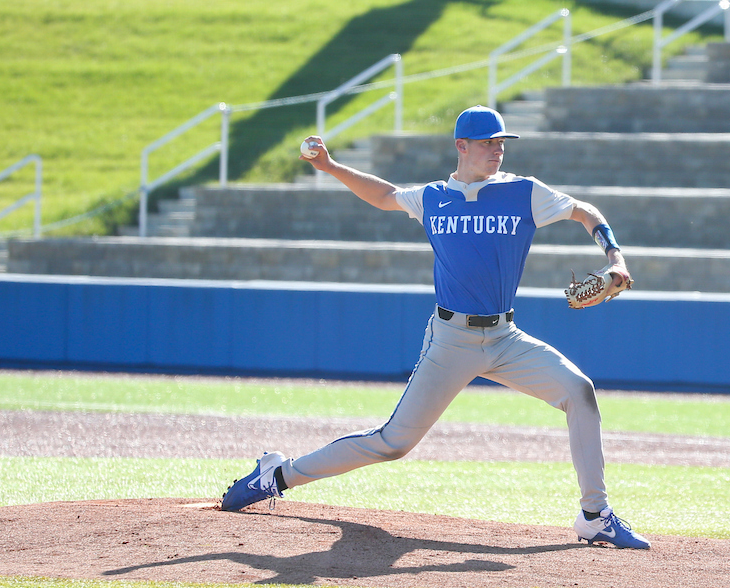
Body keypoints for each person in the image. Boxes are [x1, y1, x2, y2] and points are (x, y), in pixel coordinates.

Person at [220, 105, 650, 549]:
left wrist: (614, 257)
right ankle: (278, 473)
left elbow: (585, 211)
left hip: (505, 338)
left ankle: (595, 515)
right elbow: (384, 195)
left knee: (579, 391)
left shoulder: (524, 193)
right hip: (451, 340)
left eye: (502, 142)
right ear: (461, 146)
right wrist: (329, 166)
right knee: (391, 443)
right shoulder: (432, 198)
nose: (497, 150)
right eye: (488, 142)